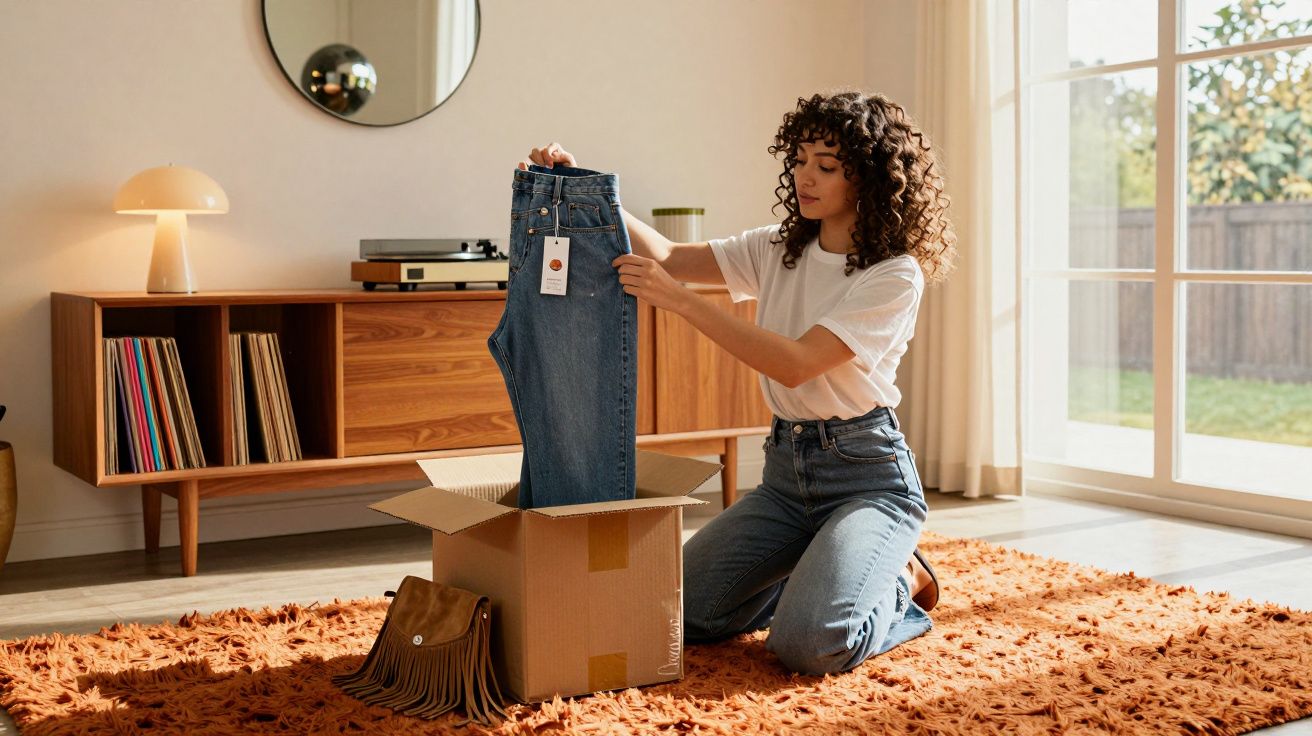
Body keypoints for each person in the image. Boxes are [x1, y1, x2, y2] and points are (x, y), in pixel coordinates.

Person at [517, 89, 956, 676]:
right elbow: (671, 256)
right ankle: (826, 568)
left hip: (867, 477)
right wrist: (584, 189)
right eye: (799, 160)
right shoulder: (782, 246)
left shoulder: (893, 275)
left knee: (809, 644)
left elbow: (797, 362)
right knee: (680, 614)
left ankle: (899, 579)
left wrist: (682, 305)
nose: (805, 176)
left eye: (826, 166)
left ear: (870, 178)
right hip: (786, 477)